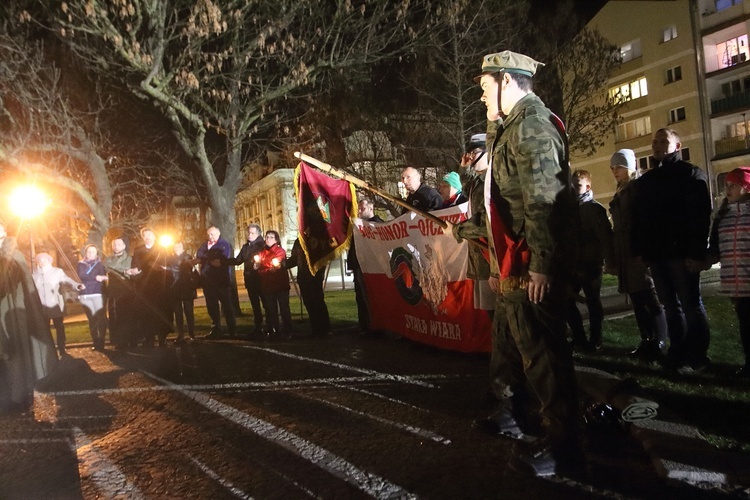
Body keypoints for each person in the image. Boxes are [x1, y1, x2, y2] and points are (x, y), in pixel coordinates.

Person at [476, 50, 583, 477]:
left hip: (530, 261)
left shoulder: (533, 127)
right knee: (509, 341)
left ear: (506, 80)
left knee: (543, 353)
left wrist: (541, 264)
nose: (482, 97)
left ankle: (565, 445)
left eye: (486, 87)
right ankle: (515, 414)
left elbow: (543, 203)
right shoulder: (509, 128)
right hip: (513, 259)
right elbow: (504, 201)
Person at [631, 128, 712, 373]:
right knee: (670, 306)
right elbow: (640, 218)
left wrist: (696, 253)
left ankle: (697, 356)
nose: (657, 144)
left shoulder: (690, 174)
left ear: (677, 146)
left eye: (663, 140)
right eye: (654, 141)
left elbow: (700, 216)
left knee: (690, 304)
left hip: (681, 253)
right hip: (657, 254)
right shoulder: (647, 180)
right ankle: (677, 352)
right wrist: (642, 250)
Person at [446, 133, 498, 401]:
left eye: (474, 153)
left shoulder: (493, 181)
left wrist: (460, 229)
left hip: (493, 264)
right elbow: (464, 189)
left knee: (501, 330)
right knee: (496, 327)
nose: (469, 158)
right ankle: (503, 384)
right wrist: (463, 168)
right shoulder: (479, 182)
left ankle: (506, 387)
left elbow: (488, 224)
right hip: (482, 263)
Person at [609, 149, 668, 362]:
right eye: (613, 167)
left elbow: (643, 222)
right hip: (626, 254)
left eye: (620, 166)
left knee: (651, 299)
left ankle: (659, 341)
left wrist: (643, 250)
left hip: (638, 253)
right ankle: (646, 340)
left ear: (630, 167)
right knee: (637, 300)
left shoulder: (638, 189)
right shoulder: (621, 191)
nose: (615, 171)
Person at [0, 220, 58, 413]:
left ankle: (19, 398)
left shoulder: (14, 256)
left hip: (14, 314)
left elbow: (19, 284)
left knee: (16, 354)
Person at [706, 167, 750, 378]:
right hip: (735, 282)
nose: (728, 189)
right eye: (727, 185)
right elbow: (714, 248)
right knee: (745, 325)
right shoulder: (722, 215)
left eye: (733, 185)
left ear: (746, 187)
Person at [566, 169, 614, 352]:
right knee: (567, 300)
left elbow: (605, 237)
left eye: (577, 185)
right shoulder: (569, 210)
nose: (573, 189)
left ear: (588, 186)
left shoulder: (594, 209)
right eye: (572, 185)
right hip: (573, 264)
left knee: (593, 301)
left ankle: (596, 340)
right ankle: (579, 337)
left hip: (591, 263)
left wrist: (608, 261)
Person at [127, 228, 172, 347]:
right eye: (145, 235)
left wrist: (160, 268)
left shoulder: (162, 249)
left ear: (154, 236)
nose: (147, 237)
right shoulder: (138, 250)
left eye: (149, 234)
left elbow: (167, 265)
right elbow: (136, 265)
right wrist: (135, 272)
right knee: (146, 312)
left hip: (160, 286)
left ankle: (162, 337)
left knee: (161, 311)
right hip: (144, 286)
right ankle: (149, 337)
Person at [32, 252, 83, 356]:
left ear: (49, 261)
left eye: (45, 260)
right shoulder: (34, 275)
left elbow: (67, 280)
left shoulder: (57, 272)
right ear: (37, 262)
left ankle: (61, 347)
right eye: (40, 260)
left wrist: (76, 285)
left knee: (59, 326)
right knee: (45, 329)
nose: (42, 262)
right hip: (41, 307)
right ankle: (49, 348)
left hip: (55, 304)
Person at [347, 198, 383, 333]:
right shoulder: (357, 226)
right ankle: (364, 325)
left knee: (371, 296)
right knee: (360, 296)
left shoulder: (378, 225)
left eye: (362, 208)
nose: (359, 211)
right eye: (359, 209)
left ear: (371, 208)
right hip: (359, 266)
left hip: (372, 267)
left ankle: (375, 326)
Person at [196, 226, 237, 338]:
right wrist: (210, 258)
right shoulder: (204, 245)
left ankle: (232, 330)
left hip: (221, 281)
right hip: (207, 281)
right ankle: (216, 329)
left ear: (218, 234)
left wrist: (206, 259)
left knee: (227, 305)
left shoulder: (224, 245)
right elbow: (199, 255)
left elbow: (221, 259)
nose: (210, 237)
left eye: (212, 234)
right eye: (208, 234)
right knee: (212, 306)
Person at [286, 237, 331, 338]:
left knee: (317, 302)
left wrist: (319, 272)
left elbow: (323, 256)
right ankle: (316, 329)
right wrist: (282, 264)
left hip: (314, 276)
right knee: (309, 303)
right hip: (303, 277)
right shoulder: (299, 241)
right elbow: (294, 258)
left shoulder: (318, 238)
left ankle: (325, 329)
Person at [228, 224, 265, 337]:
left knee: (267, 304)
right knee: (255, 305)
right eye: (248, 232)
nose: (249, 235)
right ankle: (258, 327)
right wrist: (224, 262)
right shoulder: (246, 247)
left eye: (252, 233)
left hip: (261, 279)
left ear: (258, 234)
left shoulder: (262, 245)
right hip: (250, 279)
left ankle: (272, 326)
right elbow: (238, 260)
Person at [256, 230, 292, 340]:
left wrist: (264, 266)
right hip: (267, 285)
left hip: (280, 285)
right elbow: (261, 267)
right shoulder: (262, 252)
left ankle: (287, 331)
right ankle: (275, 330)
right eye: (267, 237)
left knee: (284, 308)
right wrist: (261, 266)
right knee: (272, 310)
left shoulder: (279, 251)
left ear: (276, 239)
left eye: (271, 237)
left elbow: (276, 264)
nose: (268, 239)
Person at [103, 236, 137, 349]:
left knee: (128, 316)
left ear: (124, 246)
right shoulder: (108, 259)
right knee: (115, 317)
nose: (116, 247)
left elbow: (130, 271)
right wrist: (124, 270)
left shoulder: (130, 258)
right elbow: (108, 268)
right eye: (114, 244)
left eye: (118, 244)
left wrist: (121, 270)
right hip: (113, 291)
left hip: (127, 291)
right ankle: (119, 340)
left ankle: (132, 339)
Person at [77, 244, 108, 351]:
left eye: (93, 252)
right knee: (92, 319)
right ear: (86, 253)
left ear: (96, 253)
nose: (90, 253)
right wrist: (96, 277)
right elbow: (82, 276)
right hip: (86, 294)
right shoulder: (81, 264)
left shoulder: (100, 264)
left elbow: (103, 276)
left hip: (98, 293)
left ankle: (102, 341)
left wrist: (100, 277)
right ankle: (96, 341)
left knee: (100, 318)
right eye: (89, 251)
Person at [166, 242, 197, 343]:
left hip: (187, 288)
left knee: (189, 312)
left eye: (179, 246)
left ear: (183, 248)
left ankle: (192, 334)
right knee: (178, 313)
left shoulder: (187, 257)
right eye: (175, 246)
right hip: (174, 288)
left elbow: (186, 268)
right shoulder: (170, 258)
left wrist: (170, 268)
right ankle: (181, 334)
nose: (176, 248)